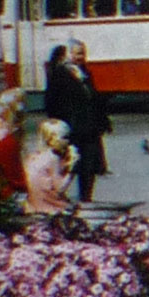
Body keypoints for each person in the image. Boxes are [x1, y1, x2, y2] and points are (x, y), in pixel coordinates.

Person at [51, 40, 112, 201]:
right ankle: (58, 196)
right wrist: (59, 125)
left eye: (83, 53)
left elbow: (93, 98)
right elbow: (52, 102)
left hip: (90, 128)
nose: (82, 57)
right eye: (78, 53)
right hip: (73, 128)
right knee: (70, 165)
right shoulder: (60, 74)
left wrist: (104, 121)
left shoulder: (85, 72)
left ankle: (86, 198)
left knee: (90, 166)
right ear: (68, 54)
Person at [24, 119, 78, 214]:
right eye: (64, 138)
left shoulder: (34, 156)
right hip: (48, 205)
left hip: (32, 203)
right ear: (51, 139)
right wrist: (72, 167)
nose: (68, 142)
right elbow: (60, 188)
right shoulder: (52, 158)